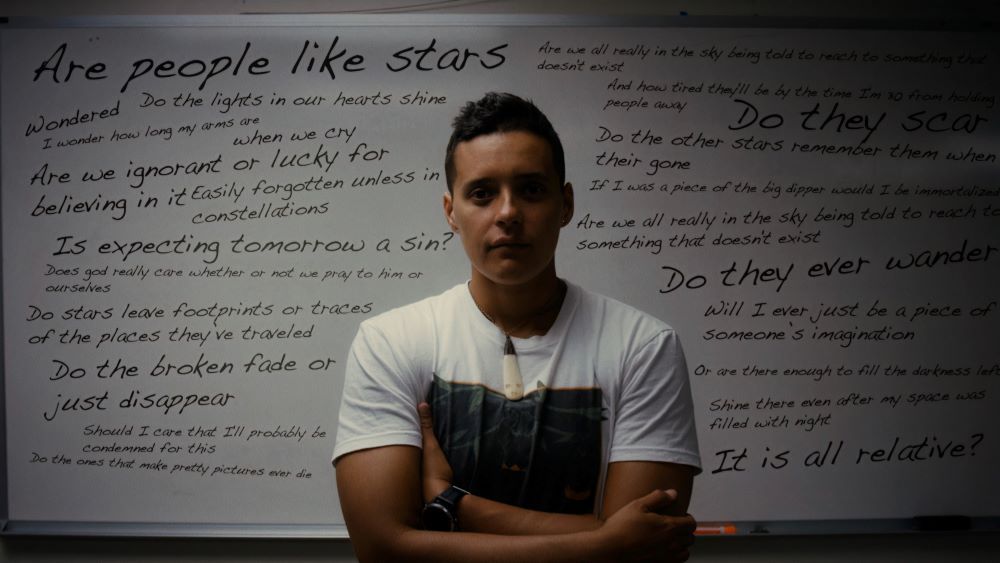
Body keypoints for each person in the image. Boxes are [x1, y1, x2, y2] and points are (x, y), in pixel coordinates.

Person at [333, 92, 701, 562]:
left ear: (565, 204)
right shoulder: (391, 341)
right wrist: (604, 540)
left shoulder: (644, 346)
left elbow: (646, 546)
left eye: (531, 189)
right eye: (482, 193)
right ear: (451, 212)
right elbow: (383, 549)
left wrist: (451, 502)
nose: (507, 213)